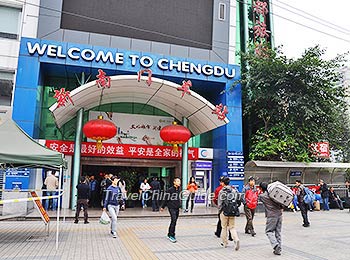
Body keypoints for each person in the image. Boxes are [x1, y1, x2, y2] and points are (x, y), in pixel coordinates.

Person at [259, 182, 284, 255]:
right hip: (279, 214)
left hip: (271, 216)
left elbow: (259, 197)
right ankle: (278, 249)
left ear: (261, 188)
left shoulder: (262, 196)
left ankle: (275, 245)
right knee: (278, 232)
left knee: (269, 231)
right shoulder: (275, 195)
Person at [217, 177, 240, 250]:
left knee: (224, 227)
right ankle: (236, 239)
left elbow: (220, 203)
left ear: (223, 183)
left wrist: (219, 211)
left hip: (224, 212)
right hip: (232, 211)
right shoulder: (234, 190)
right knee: (232, 227)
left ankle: (224, 243)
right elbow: (238, 199)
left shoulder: (222, 191)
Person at [160, 177, 181, 243]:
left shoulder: (179, 190)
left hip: (177, 207)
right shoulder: (170, 190)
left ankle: (170, 233)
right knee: (173, 220)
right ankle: (171, 235)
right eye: (177, 181)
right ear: (174, 182)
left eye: (179, 181)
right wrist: (162, 207)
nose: (179, 182)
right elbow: (165, 198)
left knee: (174, 221)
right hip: (171, 207)